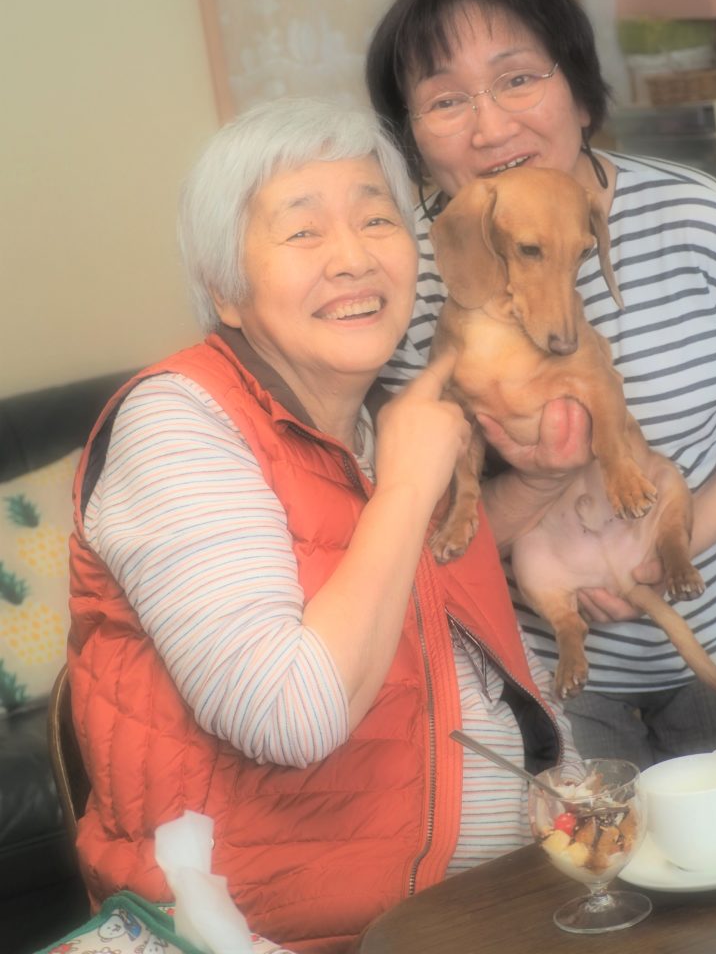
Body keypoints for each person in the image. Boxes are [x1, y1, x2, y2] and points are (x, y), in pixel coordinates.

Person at [67, 97, 578, 954]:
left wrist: (535, 483)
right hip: (277, 937)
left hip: (491, 903)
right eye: (303, 232)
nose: (353, 257)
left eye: (376, 219)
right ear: (226, 291)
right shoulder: (177, 423)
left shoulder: (380, 424)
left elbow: (426, 613)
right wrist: (408, 485)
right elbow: (289, 714)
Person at [366, 0, 716, 768]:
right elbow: (415, 532)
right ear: (411, 139)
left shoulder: (693, 218)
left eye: (518, 79)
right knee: (586, 851)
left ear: (582, 97)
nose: (490, 127)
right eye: (446, 100)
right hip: (544, 671)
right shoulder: (400, 278)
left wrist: (666, 546)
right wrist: (540, 483)